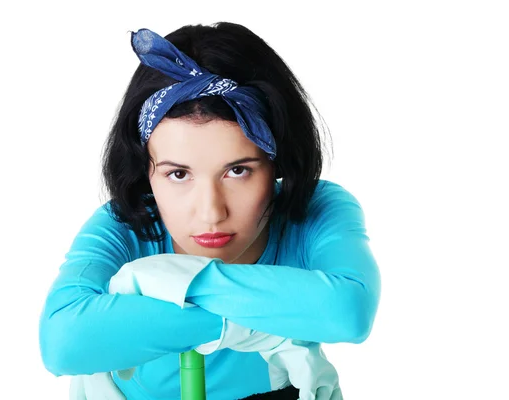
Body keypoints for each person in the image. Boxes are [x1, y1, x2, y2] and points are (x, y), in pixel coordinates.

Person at [38, 22, 381, 399]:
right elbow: (63, 343)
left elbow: (348, 312)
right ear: (145, 170)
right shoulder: (124, 225)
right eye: (179, 174)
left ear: (278, 163)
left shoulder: (316, 209)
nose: (211, 213)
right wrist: (267, 319)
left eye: (238, 171)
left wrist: (165, 286)